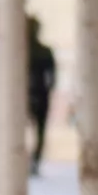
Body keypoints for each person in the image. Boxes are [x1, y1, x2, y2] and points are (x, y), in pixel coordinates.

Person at [25, 18, 56, 175]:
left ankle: (31, 160)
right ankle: (34, 161)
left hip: (26, 93)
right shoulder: (44, 51)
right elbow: (52, 77)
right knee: (40, 131)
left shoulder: (20, 50)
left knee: (30, 130)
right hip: (40, 92)